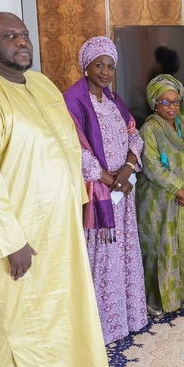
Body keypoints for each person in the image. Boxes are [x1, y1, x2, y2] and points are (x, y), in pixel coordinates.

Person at [0, 12, 108, 367]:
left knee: (66, 311)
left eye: (24, 34)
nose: (21, 42)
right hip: (18, 240)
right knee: (26, 323)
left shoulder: (41, 84)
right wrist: (10, 242)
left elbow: (67, 148)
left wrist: (76, 202)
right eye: (9, 36)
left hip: (59, 230)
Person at [63, 36, 147, 344]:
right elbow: (75, 149)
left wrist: (126, 170)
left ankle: (127, 319)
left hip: (122, 194)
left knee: (123, 252)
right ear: (86, 66)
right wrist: (111, 181)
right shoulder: (74, 100)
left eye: (111, 66)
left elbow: (135, 137)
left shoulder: (113, 101)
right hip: (98, 195)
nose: (105, 72)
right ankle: (101, 326)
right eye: (99, 65)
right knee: (102, 256)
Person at [136, 74, 184, 315]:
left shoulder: (182, 128)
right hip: (159, 202)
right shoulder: (150, 129)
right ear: (155, 103)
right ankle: (157, 299)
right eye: (166, 102)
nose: (172, 107)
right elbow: (152, 166)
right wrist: (181, 190)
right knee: (161, 247)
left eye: (176, 102)